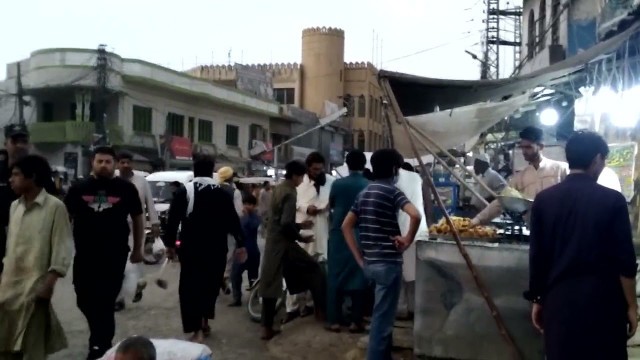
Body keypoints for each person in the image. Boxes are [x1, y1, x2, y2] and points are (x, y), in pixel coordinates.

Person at [528, 131, 637, 360]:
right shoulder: (612, 201)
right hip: (604, 305)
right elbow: (625, 262)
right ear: (597, 159)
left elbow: (538, 257)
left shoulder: (544, 200)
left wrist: (538, 300)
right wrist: (632, 307)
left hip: (559, 303)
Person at [64, 146, 145, 360]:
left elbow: (138, 218)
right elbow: (65, 220)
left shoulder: (126, 189)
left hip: (114, 255)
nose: (104, 165)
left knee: (106, 302)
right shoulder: (78, 188)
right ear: (93, 162)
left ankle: (100, 345)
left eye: (108, 162)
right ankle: (99, 337)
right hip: (85, 255)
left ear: (115, 164)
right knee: (83, 299)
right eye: (100, 161)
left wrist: (138, 248)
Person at [341, 148, 421, 360]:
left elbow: (345, 227)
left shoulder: (364, 192)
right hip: (388, 264)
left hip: (370, 265)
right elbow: (416, 215)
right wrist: (407, 239)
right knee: (381, 322)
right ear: (395, 170)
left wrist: (359, 258)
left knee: (382, 316)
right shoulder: (392, 191)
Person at [165, 155, 247, 343]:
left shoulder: (185, 191)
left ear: (194, 170)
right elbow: (234, 222)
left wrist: (170, 245)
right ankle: (204, 321)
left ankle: (196, 329)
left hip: (191, 249)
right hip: (217, 249)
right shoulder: (223, 193)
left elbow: (172, 221)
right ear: (212, 171)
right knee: (210, 286)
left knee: (190, 287)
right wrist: (240, 244)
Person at [0, 155, 73, 360]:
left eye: (16, 175)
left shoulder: (55, 208)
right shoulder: (15, 206)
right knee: (5, 345)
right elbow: (11, 248)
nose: (11, 180)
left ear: (31, 177)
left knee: (33, 348)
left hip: (35, 288)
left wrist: (48, 284)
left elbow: (62, 249)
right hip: (8, 287)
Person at [259, 160, 326, 341]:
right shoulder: (290, 192)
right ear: (296, 176)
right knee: (314, 268)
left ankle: (267, 326)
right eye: (302, 176)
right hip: (283, 243)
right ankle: (321, 312)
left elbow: (278, 219)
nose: (302, 180)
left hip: (273, 241)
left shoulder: (277, 189)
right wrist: (301, 236)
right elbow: (286, 224)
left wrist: (299, 224)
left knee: (271, 283)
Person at [471, 126, 568, 226]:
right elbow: (501, 202)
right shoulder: (520, 178)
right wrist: (477, 220)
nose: (524, 151)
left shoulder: (561, 169)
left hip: (560, 228)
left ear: (541, 146)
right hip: (535, 230)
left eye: (528, 147)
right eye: (522, 147)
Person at [284, 152, 335, 323]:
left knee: (318, 271)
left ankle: (311, 305)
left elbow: (333, 202)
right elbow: (293, 202)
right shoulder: (299, 183)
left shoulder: (330, 181)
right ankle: (292, 308)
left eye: (320, 169)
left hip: (321, 230)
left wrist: (327, 207)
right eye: (314, 169)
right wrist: (307, 208)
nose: (317, 172)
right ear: (308, 167)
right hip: (303, 230)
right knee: (296, 270)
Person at [326, 150, 370, 333]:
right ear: (363, 164)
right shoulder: (369, 185)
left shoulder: (338, 184)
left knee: (335, 276)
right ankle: (355, 321)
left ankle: (334, 320)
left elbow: (333, 204)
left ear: (347, 164)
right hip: (360, 234)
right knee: (359, 277)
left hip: (338, 235)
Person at [115, 152, 160, 310]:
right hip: (115, 227)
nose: (125, 165)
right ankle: (119, 298)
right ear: (117, 164)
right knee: (119, 265)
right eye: (122, 162)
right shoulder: (111, 181)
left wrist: (154, 223)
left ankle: (139, 285)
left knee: (135, 262)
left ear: (132, 164)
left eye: (128, 162)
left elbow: (149, 203)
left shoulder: (141, 182)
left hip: (137, 227)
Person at [0, 123, 30, 275]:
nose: (20, 146)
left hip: (27, 241)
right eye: (15, 141)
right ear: (6, 143)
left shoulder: (37, 171)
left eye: (24, 141)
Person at [229, 194, 262, 307]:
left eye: (250, 204)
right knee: (235, 275)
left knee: (253, 277)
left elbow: (254, 227)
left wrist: (248, 215)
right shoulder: (241, 217)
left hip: (252, 251)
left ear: (254, 206)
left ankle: (254, 297)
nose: (247, 206)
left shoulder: (256, 218)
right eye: (245, 204)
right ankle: (237, 298)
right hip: (241, 251)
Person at [218, 166, 243, 295]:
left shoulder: (213, 189)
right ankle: (224, 277)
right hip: (229, 229)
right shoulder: (235, 192)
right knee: (229, 256)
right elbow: (238, 214)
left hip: (214, 230)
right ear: (230, 177)